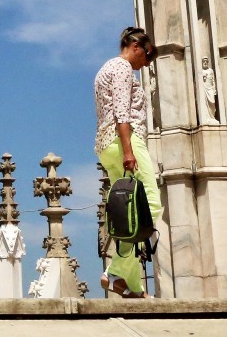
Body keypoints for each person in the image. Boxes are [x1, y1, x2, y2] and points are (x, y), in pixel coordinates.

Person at [94, 27, 162, 298]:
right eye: (147, 55)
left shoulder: (105, 68)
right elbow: (122, 112)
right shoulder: (122, 68)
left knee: (128, 213)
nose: (146, 63)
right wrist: (128, 151)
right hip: (125, 140)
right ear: (135, 47)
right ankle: (114, 271)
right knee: (149, 204)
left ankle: (132, 286)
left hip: (105, 145)